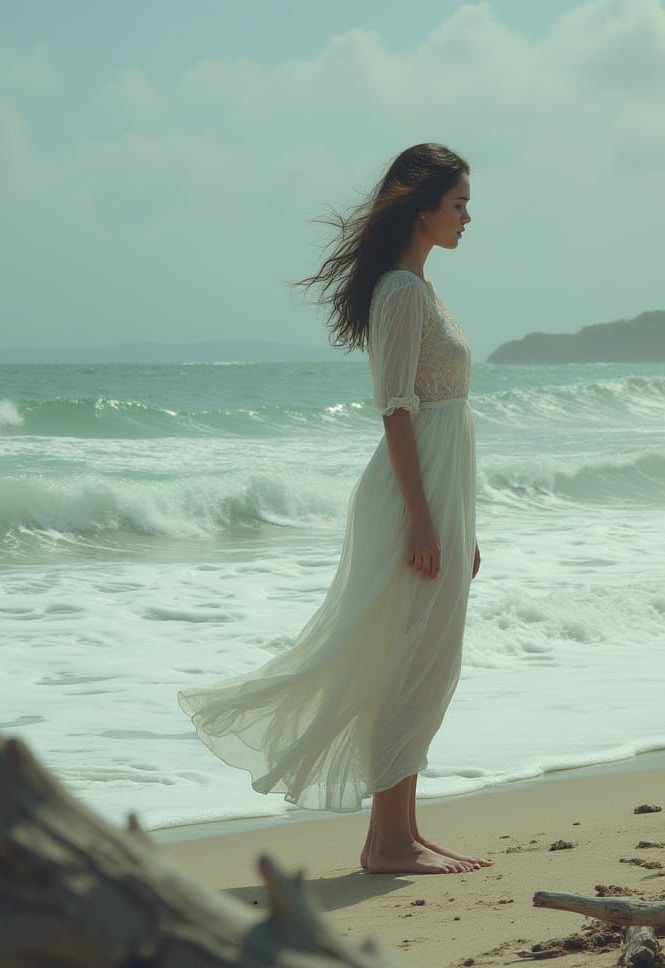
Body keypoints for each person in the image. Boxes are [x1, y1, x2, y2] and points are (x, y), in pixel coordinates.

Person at [178, 143, 491, 875]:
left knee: (428, 659)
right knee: (408, 658)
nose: (468, 218)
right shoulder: (403, 293)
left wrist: (460, 521)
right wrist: (421, 516)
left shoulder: (421, 286)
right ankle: (388, 841)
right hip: (413, 497)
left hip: (440, 494)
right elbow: (396, 410)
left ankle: (403, 829)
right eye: (459, 204)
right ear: (423, 208)